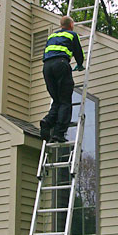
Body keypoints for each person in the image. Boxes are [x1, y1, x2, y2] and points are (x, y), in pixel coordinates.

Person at [40, 15, 85, 143]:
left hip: (47, 68)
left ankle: (47, 122)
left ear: (61, 25)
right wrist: (80, 64)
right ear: (71, 25)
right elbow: (78, 53)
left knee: (57, 100)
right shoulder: (72, 35)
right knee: (65, 101)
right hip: (60, 64)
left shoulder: (52, 36)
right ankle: (59, 133)